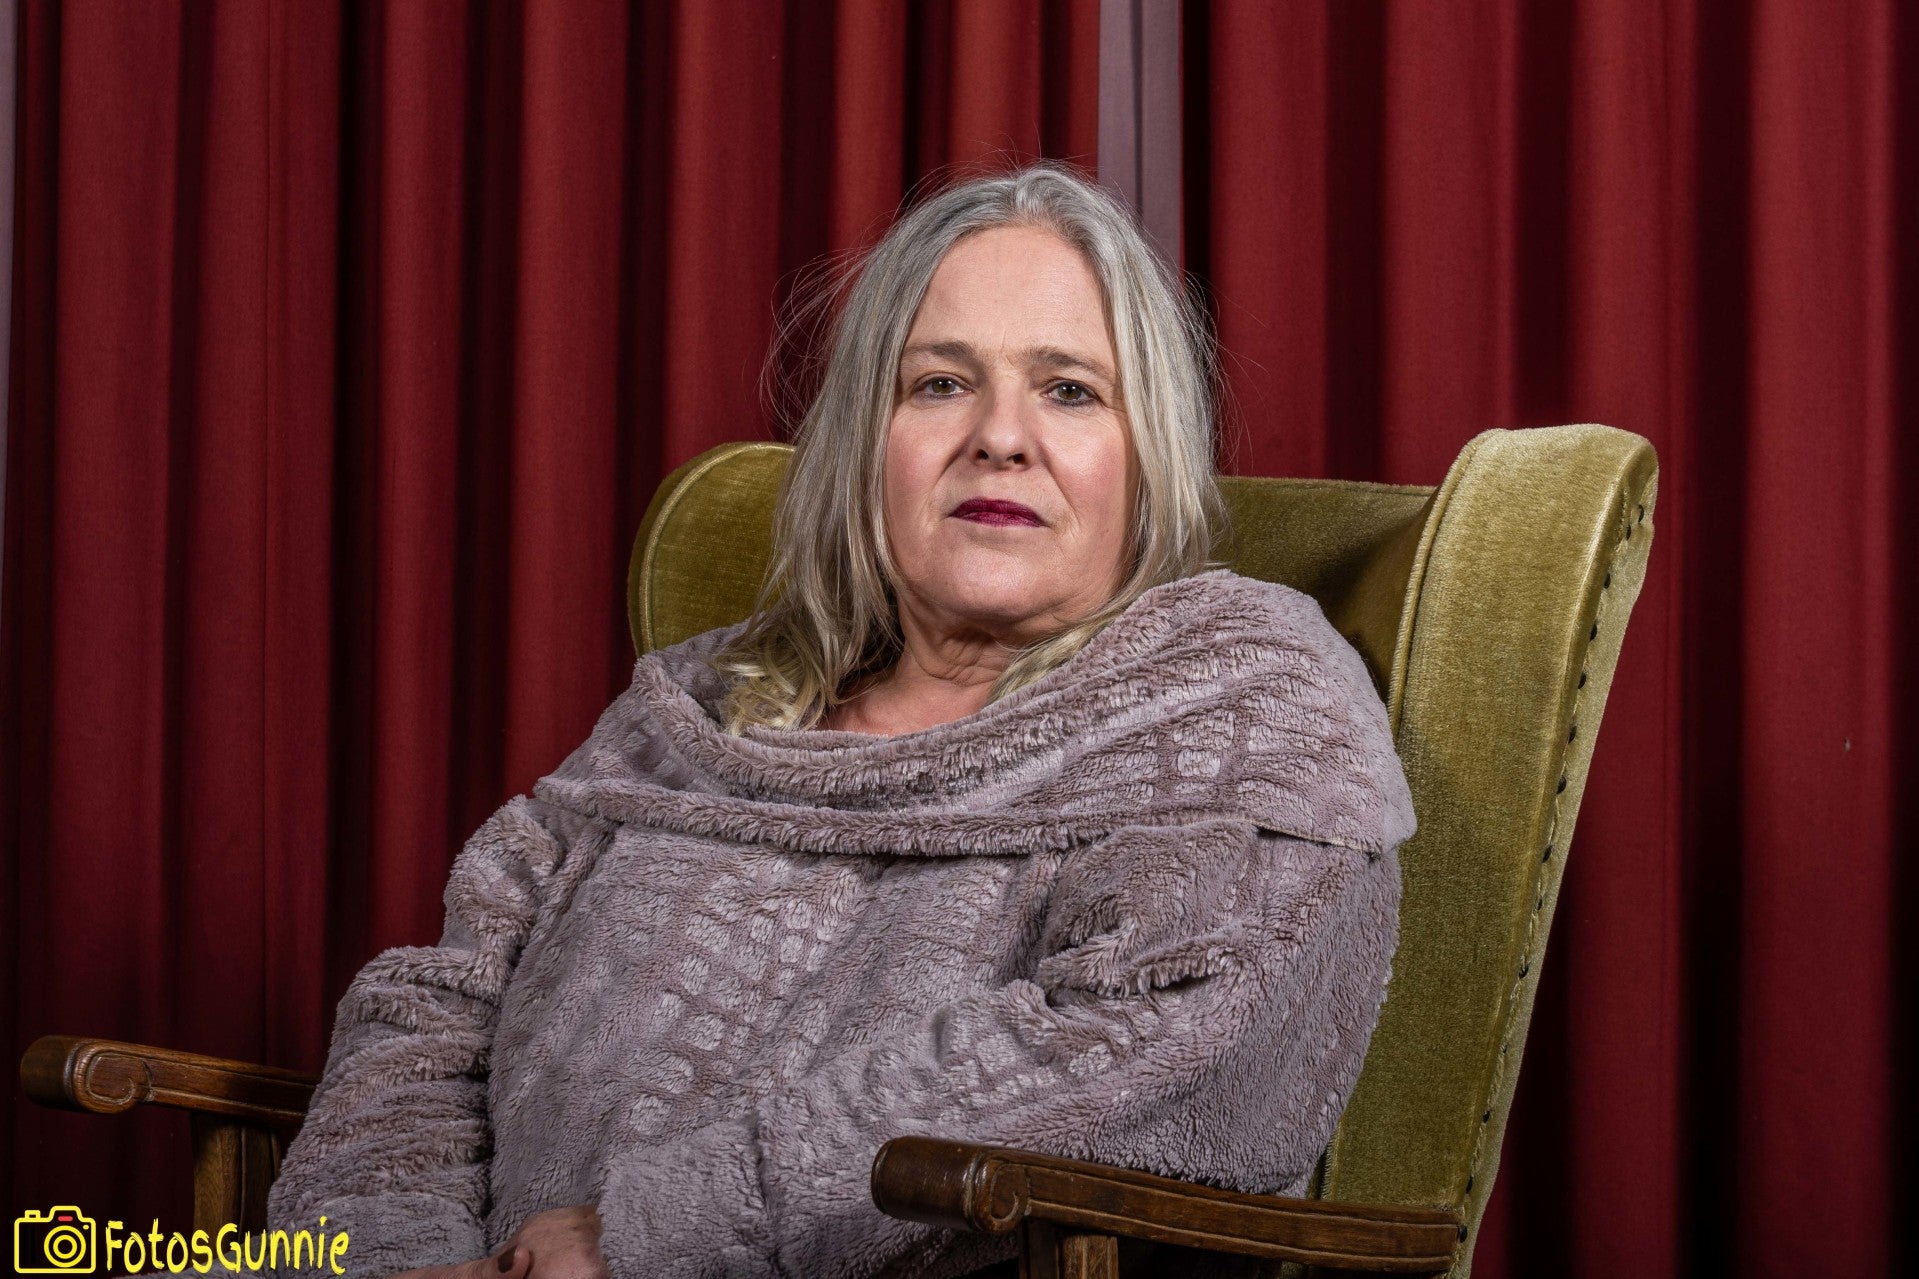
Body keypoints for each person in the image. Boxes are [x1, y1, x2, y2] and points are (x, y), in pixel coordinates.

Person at [257, 162, 1415, 1279]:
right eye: (939, 383)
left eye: (1068, 389)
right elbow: (443, 1004)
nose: (999, 435)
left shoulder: (1240, 710)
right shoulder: (702, 706)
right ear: (866, 442)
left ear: (1146, 453)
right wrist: (396, 1254)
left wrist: (646, 1235)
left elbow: (1140, 1047)